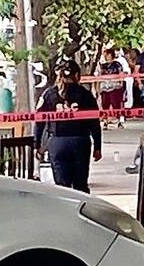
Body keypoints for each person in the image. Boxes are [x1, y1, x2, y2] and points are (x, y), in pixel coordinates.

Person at [34, 60, 102, 193]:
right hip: (80, 142)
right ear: (77, 75)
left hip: (57, 143)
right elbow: (94, 122)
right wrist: (98, 147)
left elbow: (39, 121)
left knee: (61, 187)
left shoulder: (49, 94)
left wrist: (37, 144)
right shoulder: (85, 94)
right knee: (80, 186)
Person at [97, 48, 125, 129]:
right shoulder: (102, 66)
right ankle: (105, 122)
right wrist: (98, 88)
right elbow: (99, 77)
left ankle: (119, 121)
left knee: (116, 104)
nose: (106, 56)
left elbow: (121, 74)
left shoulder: (117, 64)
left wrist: (121, 85)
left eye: (107, 54)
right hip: (104, 88)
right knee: (105, 104)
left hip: (115, 87)